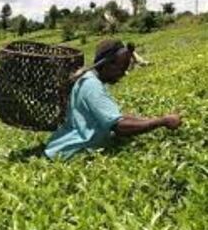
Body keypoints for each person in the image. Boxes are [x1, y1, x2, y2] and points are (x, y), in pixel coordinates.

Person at [44, 39, 182, 160]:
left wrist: (151, 119)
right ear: (107, 64)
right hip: (72, 153)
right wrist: (161, 122)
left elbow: (115, 117)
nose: (123, 73)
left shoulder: (88, 80)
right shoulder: (92, 87)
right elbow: (119, 127)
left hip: (67, 149)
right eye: (121, 67)